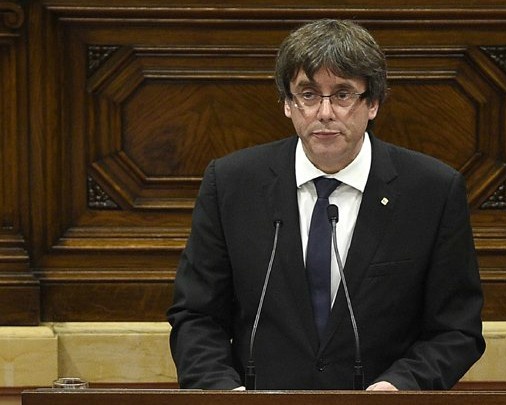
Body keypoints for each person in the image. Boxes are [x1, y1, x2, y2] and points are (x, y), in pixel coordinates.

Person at [167, 18, 485, 391]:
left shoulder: (432, 191)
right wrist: (224, 392)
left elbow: (457, 329)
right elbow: (196, 315)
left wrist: (401, 386)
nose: (324, 113)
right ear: (288, 104)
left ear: (373, 103)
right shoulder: (232, 184)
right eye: (308, 94)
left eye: (343, 94)